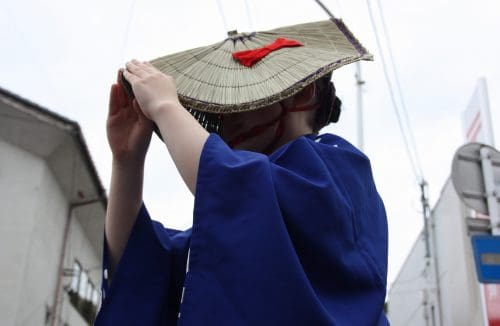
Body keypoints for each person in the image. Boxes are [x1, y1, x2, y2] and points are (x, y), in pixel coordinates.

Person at [96, 19, 389, 325]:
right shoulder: (228, 226)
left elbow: (239, 188)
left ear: (302, 96)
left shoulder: (338, 166)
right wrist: (127, 162)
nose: (225, 117)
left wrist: (167, 107)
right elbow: (139, 267)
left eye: (241, 98)